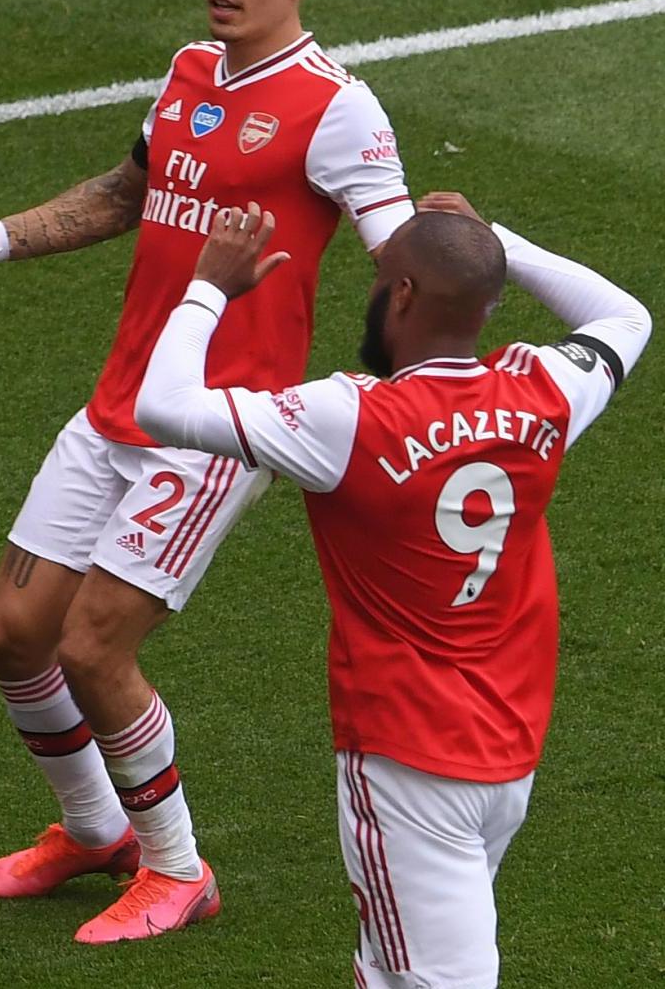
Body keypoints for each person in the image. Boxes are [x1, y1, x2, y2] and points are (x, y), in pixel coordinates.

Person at [0, 0, 416, 942]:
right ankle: (95, 830)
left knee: (90, 649)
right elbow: (125, 194)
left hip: (216, 423)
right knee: (10, 633)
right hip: (117, 403)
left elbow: (402, 259)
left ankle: (175, 868)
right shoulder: (188, 73)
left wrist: (399, 378)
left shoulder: (336, 109)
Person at [135, 196, 650, 986]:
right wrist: (492, 238)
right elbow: (625, 317)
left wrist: (208, 287)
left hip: (408, 764)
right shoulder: (542, 389)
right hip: (510, 748)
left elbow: (162, 405)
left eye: (378, 275)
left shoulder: (347, 417)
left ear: (402, 294)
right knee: (395, 966)